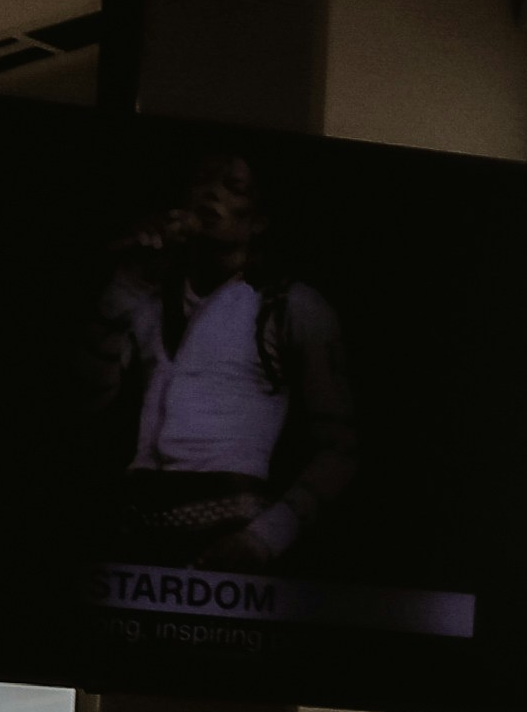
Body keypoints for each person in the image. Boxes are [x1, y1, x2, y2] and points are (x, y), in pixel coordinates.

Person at [90, 149, 350, 567]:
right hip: (135, 537)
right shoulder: (146, 296)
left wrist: (265, 538)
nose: (212, 192)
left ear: (259, 219)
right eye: (204, 179)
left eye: (234, 187)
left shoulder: (294, 307)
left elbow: (342, 448)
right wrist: (123, 288)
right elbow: (87, 401)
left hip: (229, 537)